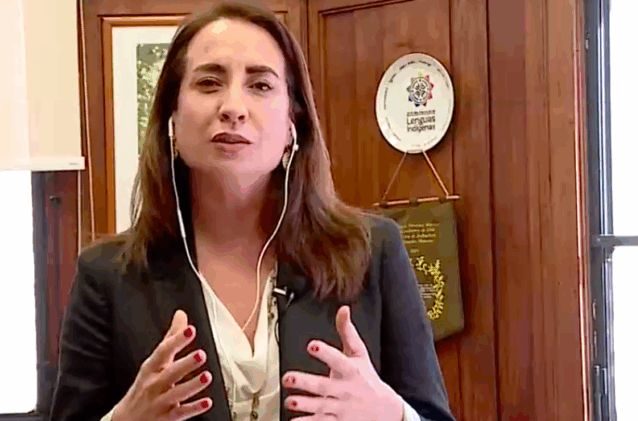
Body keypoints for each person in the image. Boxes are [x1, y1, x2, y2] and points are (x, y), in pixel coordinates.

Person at [50, 1, 456, 420]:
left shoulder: (374, 252)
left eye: (260, 85)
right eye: (209, 83)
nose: (233, 107)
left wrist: (393, 414)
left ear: (292, 125)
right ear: (172, 120)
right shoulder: (107, 277)